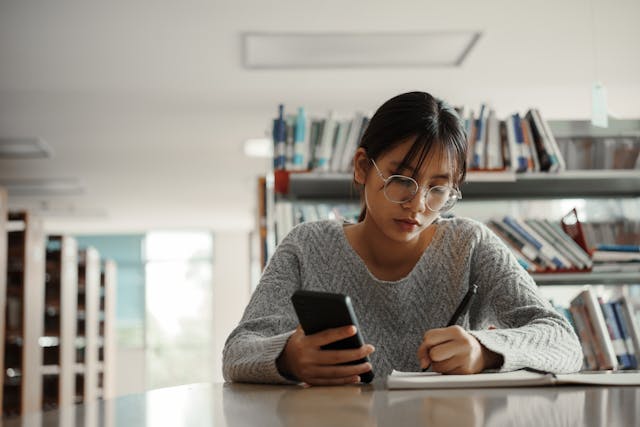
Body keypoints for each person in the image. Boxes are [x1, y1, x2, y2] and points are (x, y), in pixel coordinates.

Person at [223, 91, 583, 386]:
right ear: (363, 167)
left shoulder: (471, 244)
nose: (418, 204)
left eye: (438, 188)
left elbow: (564, 343)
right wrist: (289, 357)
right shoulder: (307, 245)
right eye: (401, 179)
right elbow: (238, 351)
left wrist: (483, 350)